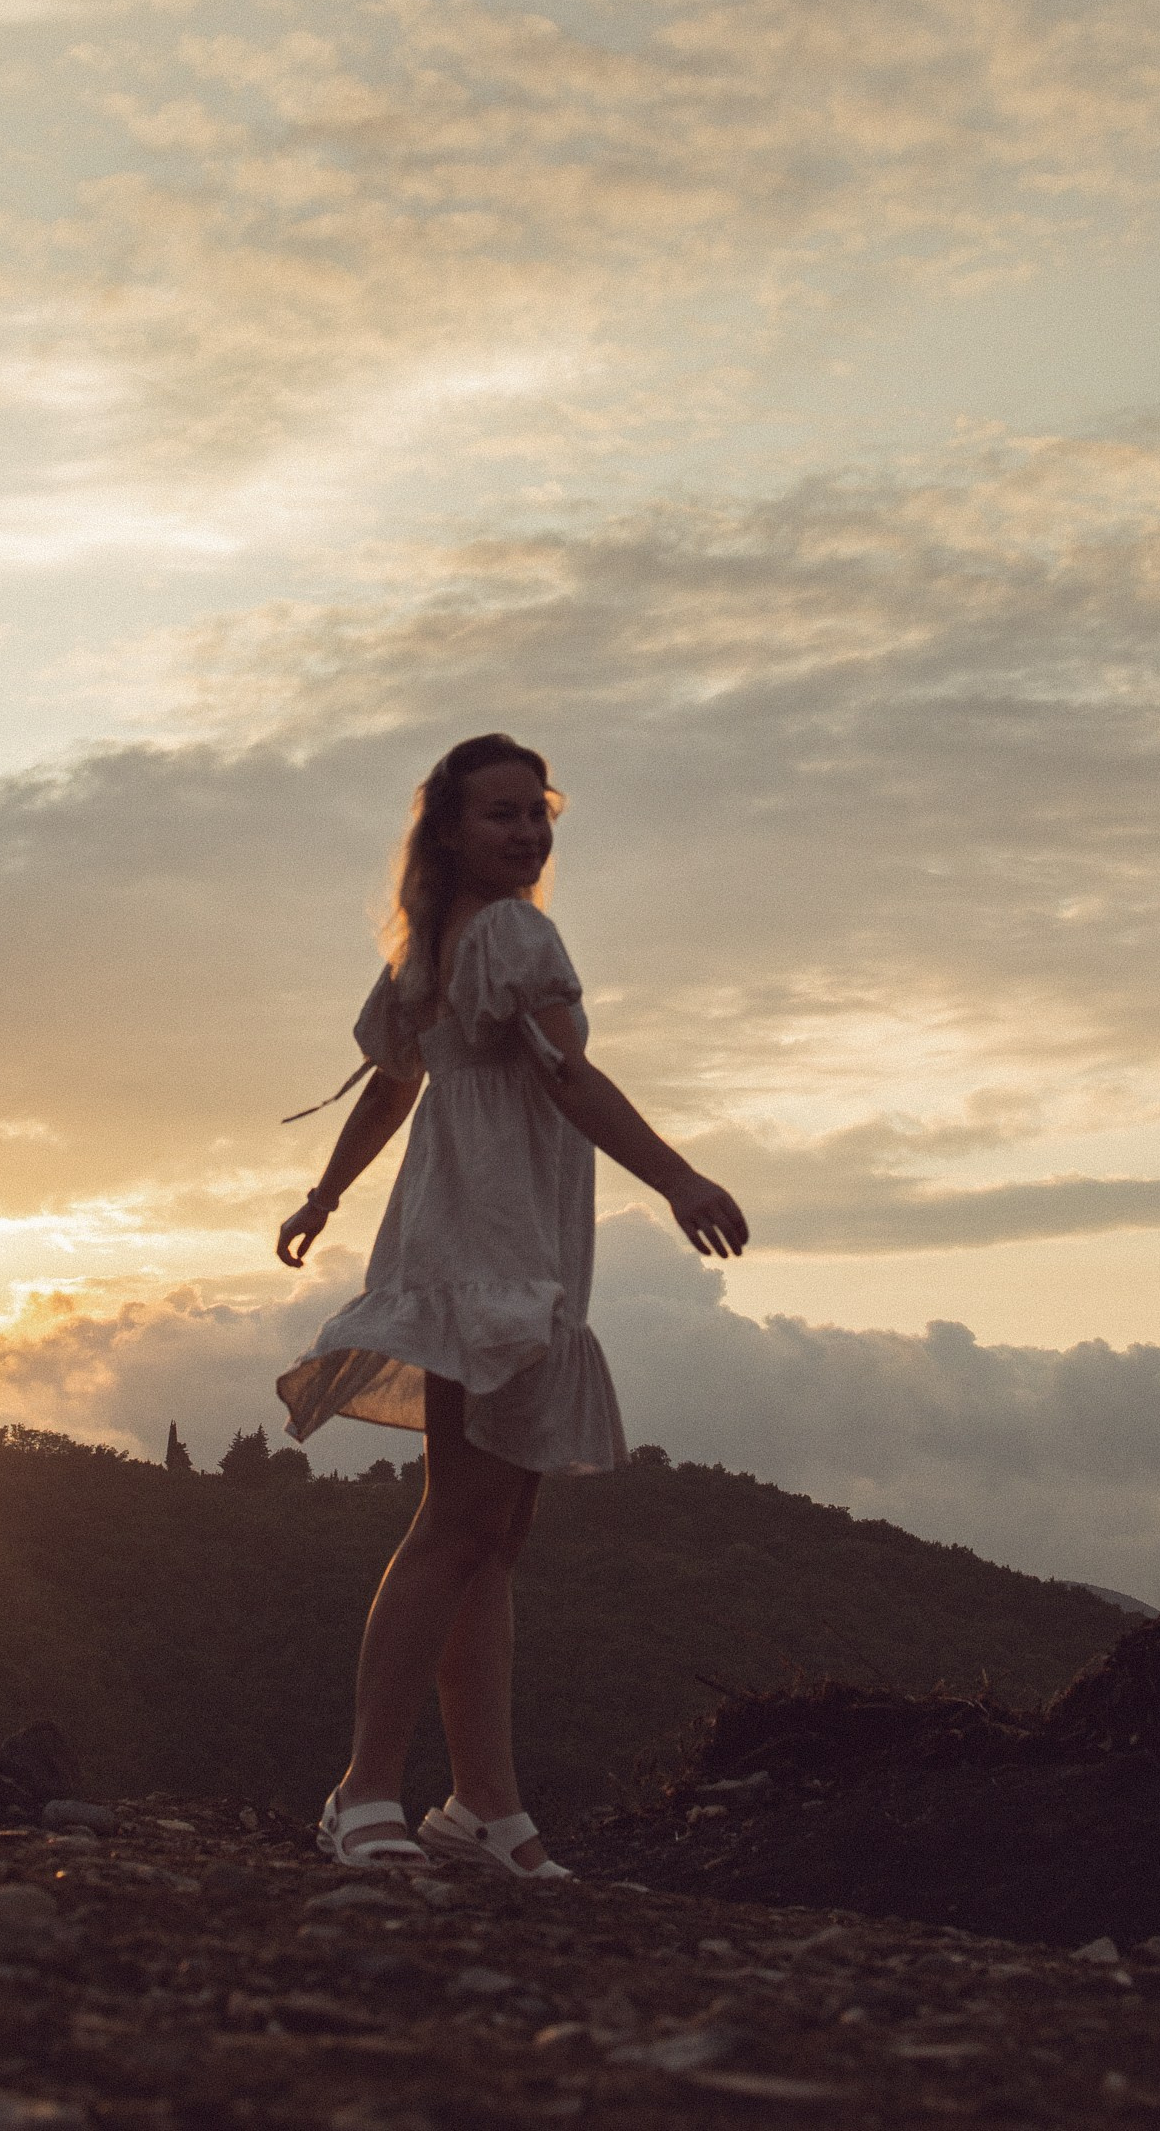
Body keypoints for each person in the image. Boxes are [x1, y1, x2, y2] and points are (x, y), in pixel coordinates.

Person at [273, 731, 747, 1882]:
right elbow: (565, 1077)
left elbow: (398, 1083)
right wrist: (679, 1175)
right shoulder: (511, 935)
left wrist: (327, 1195)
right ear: (450, 830)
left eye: (538, 813)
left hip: (475, 1231)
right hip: (493, 1238)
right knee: (457, 1529)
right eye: (501, 815)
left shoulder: (437, 942)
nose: (527, 834)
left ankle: (484, 1806)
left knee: (490, 1533)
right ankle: (362, 1791)